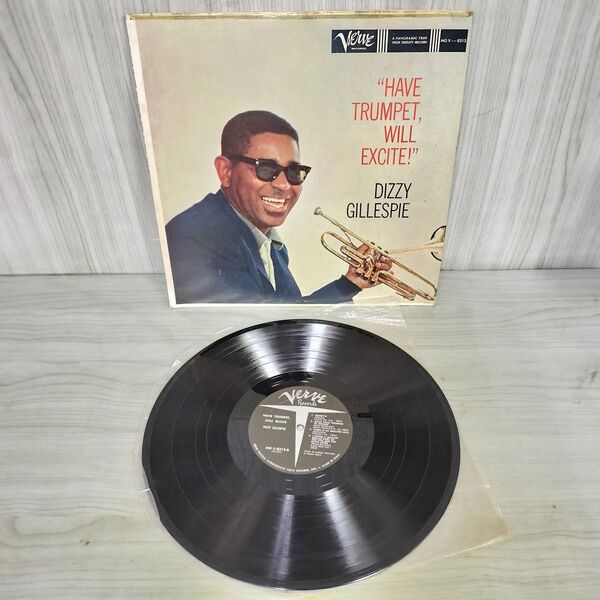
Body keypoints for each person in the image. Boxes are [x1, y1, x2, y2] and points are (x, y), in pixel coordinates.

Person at [165, 110, 390, 303]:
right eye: (265, 169)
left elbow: (286, 311)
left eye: (293, 172)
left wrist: (351, 283)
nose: (284, 185)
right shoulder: (196, 237)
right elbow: (271, 325)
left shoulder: (270, 243)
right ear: (226, 171)